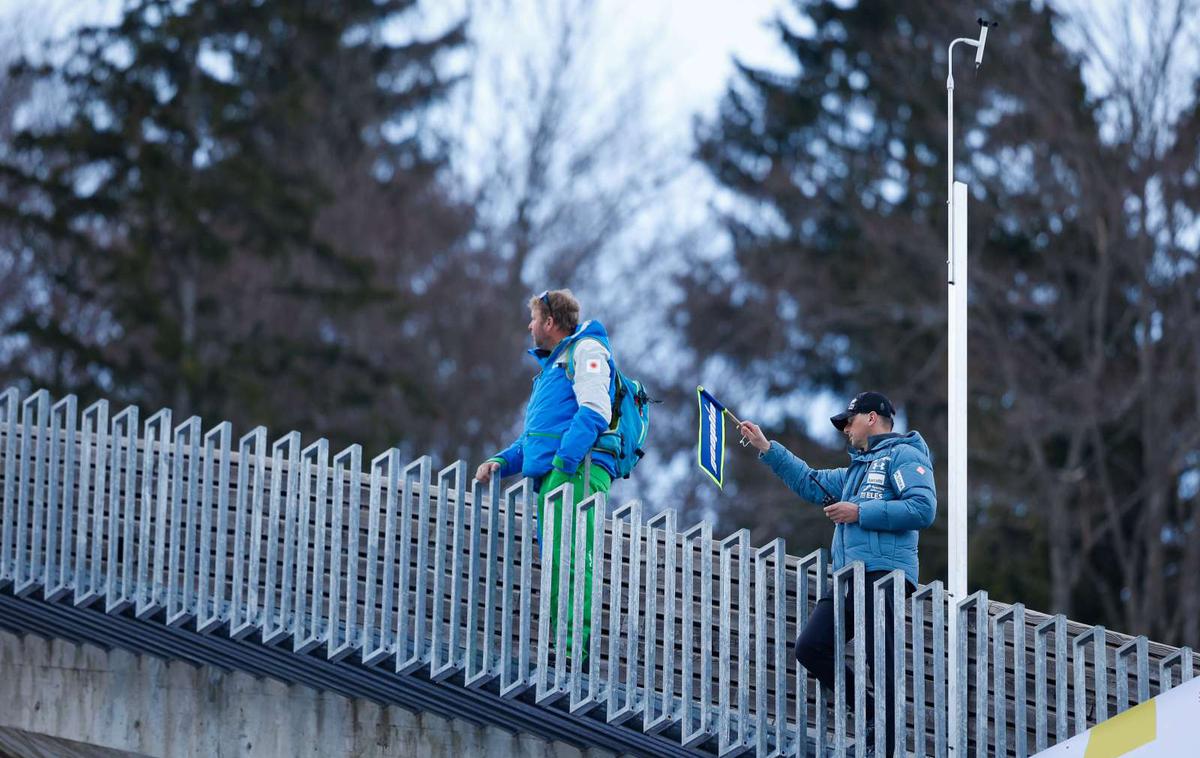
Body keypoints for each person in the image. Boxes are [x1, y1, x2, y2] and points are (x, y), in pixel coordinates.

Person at [738, 391, 936, 754]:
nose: (845, 428)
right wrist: (767, 448)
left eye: (849, 420)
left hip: (883, 576)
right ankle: (872, 713)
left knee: (883, 662)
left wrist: (858, 512)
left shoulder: (905, 454)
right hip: (848, 577)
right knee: (811, 647)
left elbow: (922, 509)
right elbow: (809, 479)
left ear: (872, 418)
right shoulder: (854, 473)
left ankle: (887, 745)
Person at [474, 289, 618, 663]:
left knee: (571, 563)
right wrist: (501, 463)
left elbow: (595, 412)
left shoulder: (586, 352)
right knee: (557, 566)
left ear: (550, 322)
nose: (530, 325)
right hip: (554, 479)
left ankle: (575, 654)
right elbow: (533, 441)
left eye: (535, 318)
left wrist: (562, 465)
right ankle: (561, 649)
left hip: (574, 476)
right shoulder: (551, 369)